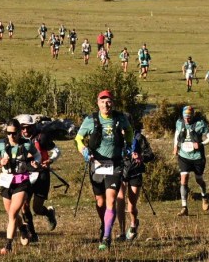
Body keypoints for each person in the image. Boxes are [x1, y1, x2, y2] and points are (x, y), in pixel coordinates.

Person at [74, 90, 135, 251]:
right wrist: (83, 150)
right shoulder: (91, 120)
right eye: (102, 101)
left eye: (108, 101)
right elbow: (78, 138)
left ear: (112, 103)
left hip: (115, 164)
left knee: (111, 200)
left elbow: (129, 131)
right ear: (98, 103)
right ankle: (104, 224)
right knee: (100, 202)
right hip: (97, 164)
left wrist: (129, 146)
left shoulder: (120, 118)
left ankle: (107, 237)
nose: (106, 104)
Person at [0, 119, 40, 255]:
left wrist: (36, 162)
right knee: (12, 214)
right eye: (8, 133)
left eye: (14, 133)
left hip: (22, 181)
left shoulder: (27, 144)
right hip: (6, 182)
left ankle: (8, 245)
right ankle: (23, 228)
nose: (11, 136)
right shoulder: (0, 144)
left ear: (19, 132)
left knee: (12, 213)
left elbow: (37, 155)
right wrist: (0, 162)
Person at [16, 114, 60, 243]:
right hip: (25, 174)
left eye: (28, 127)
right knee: (24, 205)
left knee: (37, 208)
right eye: (23, 128)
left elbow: (57, 150)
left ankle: (48, 213)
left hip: (41, 175)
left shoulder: (42, 137)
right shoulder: (17, 139)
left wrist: (50, 160)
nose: (25, 131)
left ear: (33, 126)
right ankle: (32, 234)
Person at [173, 106, 209, 215]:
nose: (187, 119)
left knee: (199, 180)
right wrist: (175, 146)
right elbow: (177, 133)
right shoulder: (179, 122)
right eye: (185, 117)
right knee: (184, 178)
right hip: (184, 156)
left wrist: (201, 144)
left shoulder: (200, 124)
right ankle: (184, 207)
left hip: (197, 157)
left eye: (189, 117)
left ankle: (204, 196)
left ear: (192, 116)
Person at [116, 127, 152, 241]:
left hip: (135, 172)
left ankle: (133, 225)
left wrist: (141, 157)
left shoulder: (139, 137)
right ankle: (121, 232)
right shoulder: (115, 136)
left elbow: (150, 154)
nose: (123, 129)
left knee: (131, 206)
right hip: (120, 171)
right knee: (120, 200)